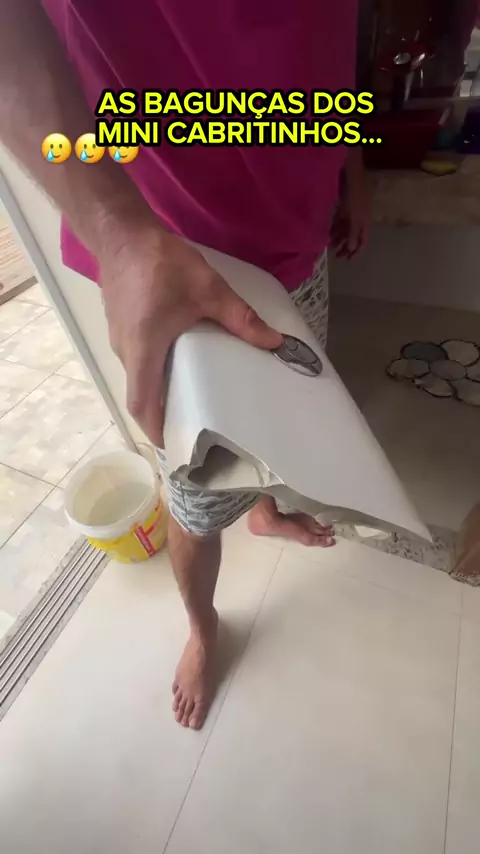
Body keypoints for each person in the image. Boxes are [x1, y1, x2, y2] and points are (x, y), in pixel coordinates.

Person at [0, 1, 370, 730]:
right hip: (184, 268)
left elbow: (329, 33)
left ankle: (262, 512)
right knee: (198, 500)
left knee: (280, 420)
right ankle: (203, 627)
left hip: (300, 237)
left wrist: (351, 165)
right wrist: (117, 235)